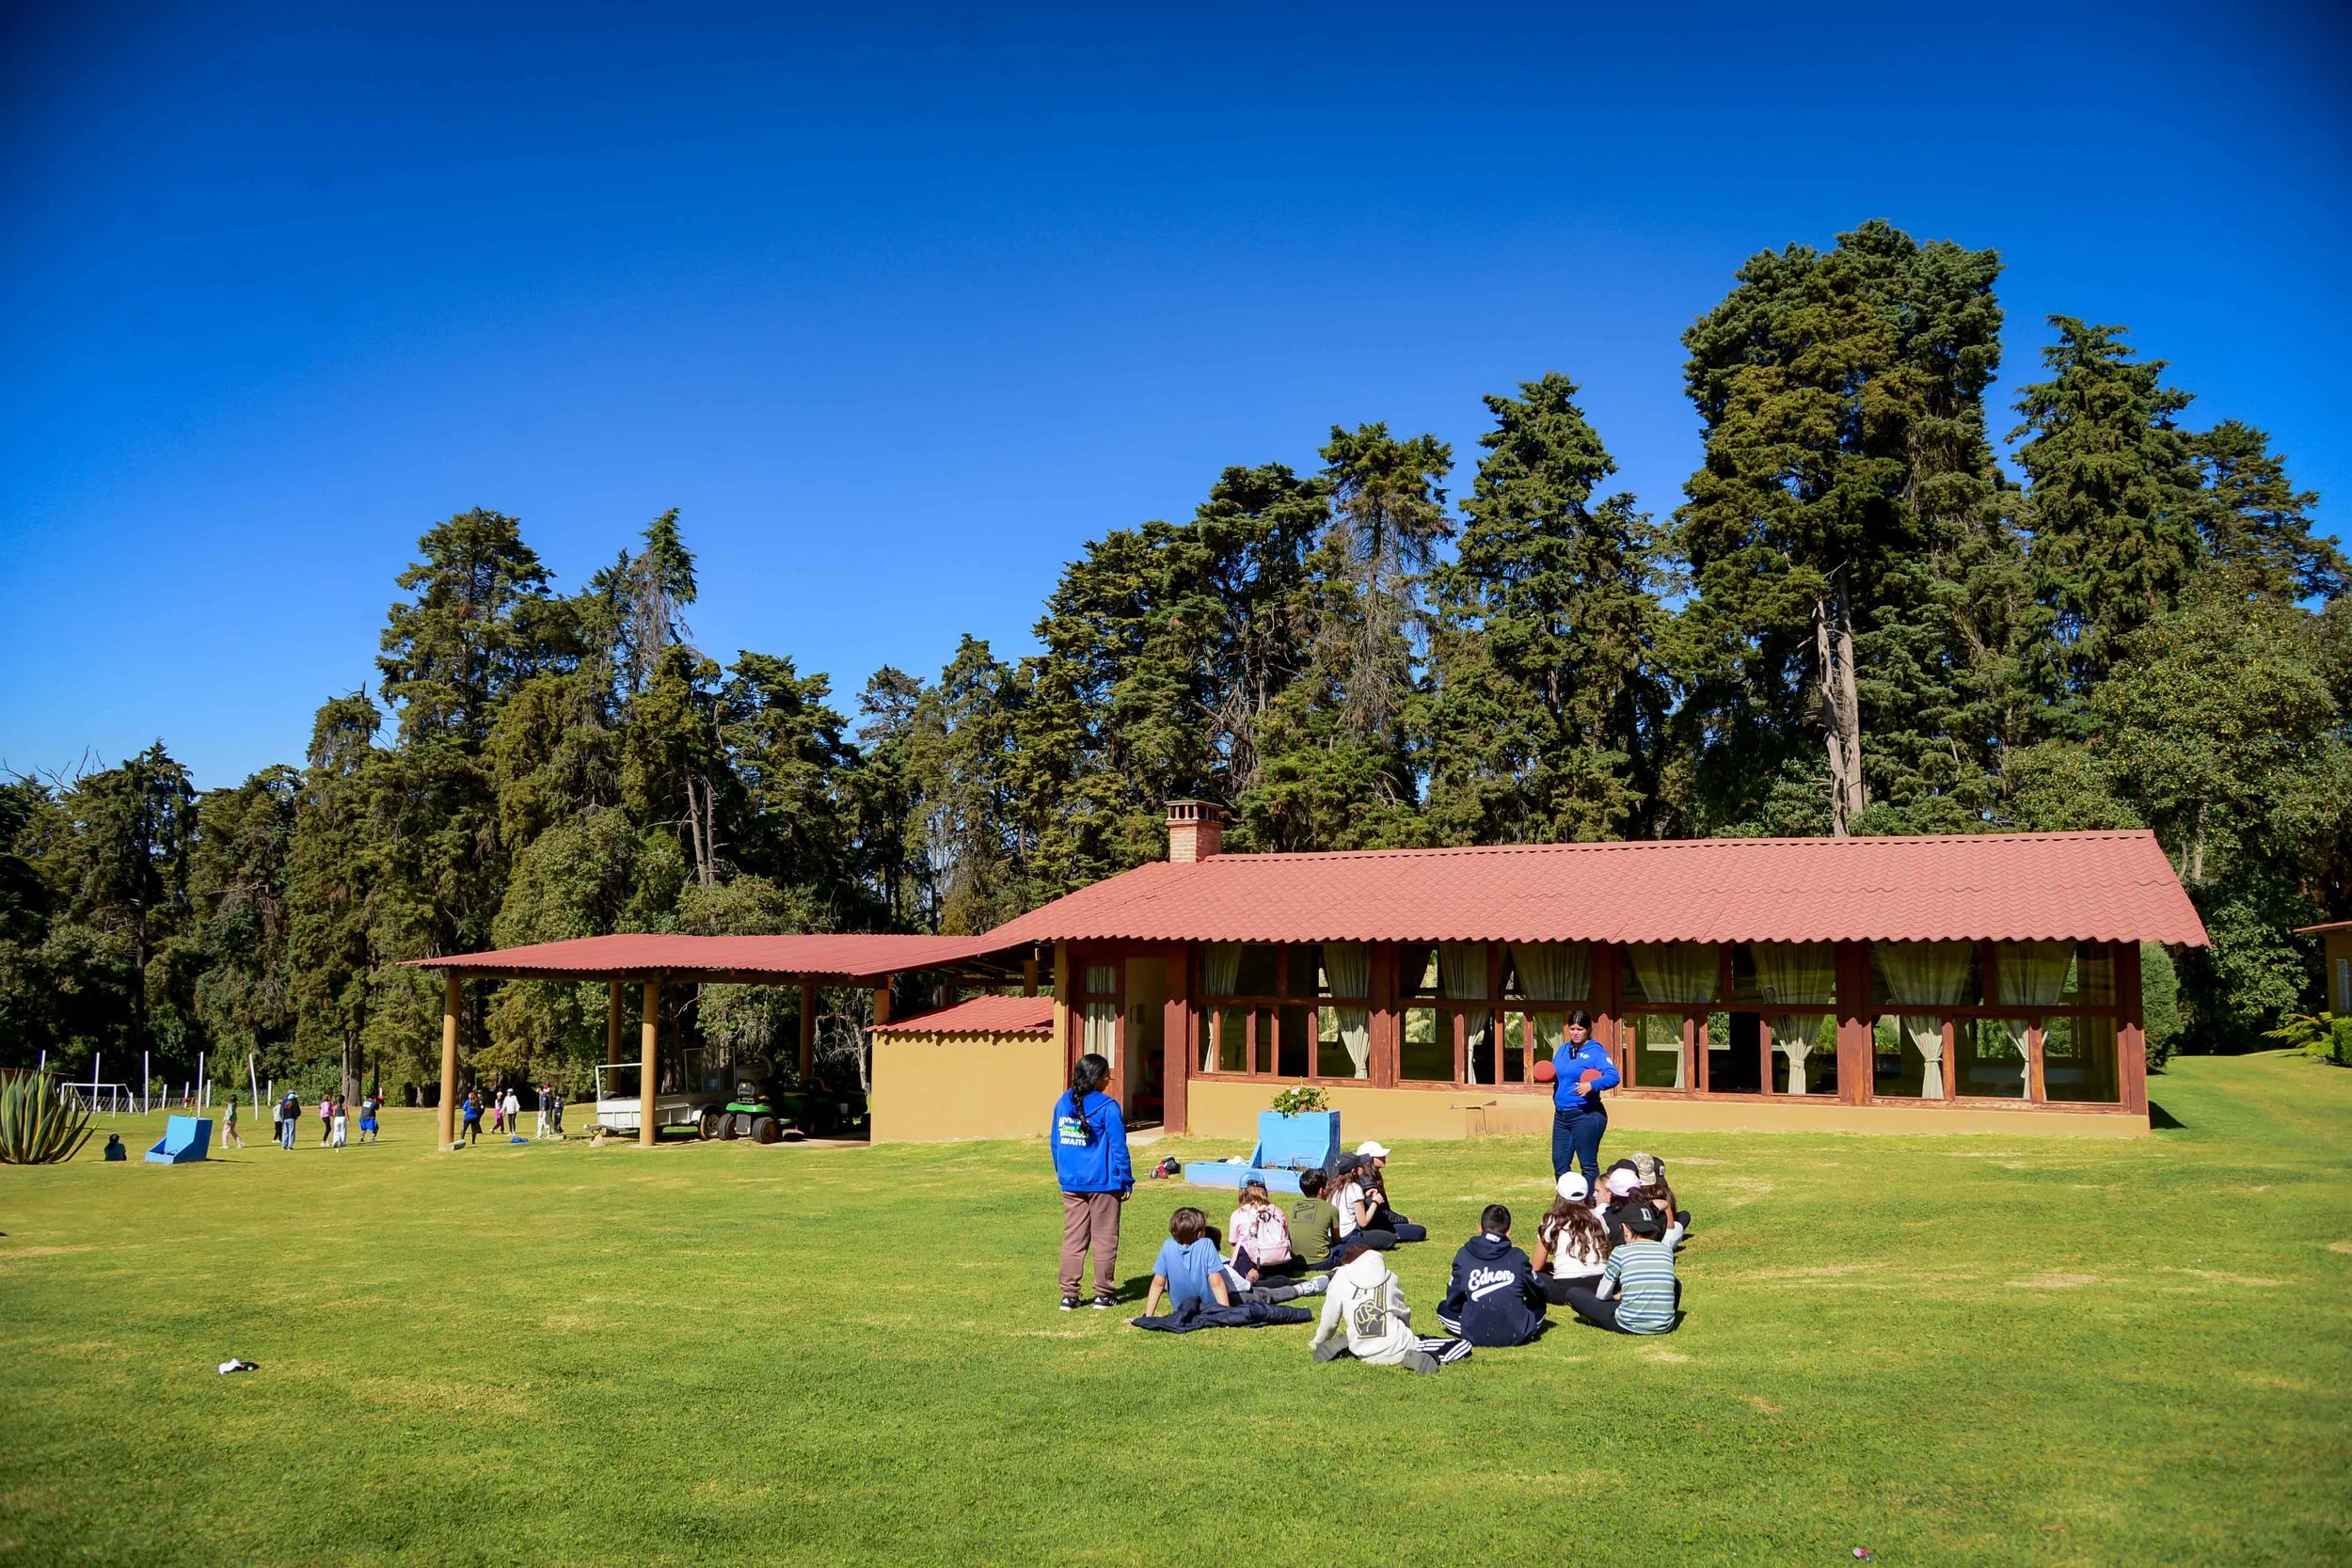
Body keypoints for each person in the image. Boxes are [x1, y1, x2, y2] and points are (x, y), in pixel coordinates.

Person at [1310, 1242, 1472, 1373]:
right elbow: (1403, 1313)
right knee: (1463, 1345)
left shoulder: (1340, 1278)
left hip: (1363, 1351)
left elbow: (1329, 1321)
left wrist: (1318, 1342)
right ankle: (1429, 1357)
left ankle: (1350, 1337)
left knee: (1364, 1330)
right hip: (1399, 1347)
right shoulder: (1390, 1277)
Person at [1051, 1052, 1132, 1311]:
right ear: (1098, 1078)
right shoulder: (1109, 1107)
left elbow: (1055, 1143)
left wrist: (1064, 1173)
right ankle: (1104, 1295)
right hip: (1104, 1183)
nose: (1109, 1080)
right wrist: (1126, 1179)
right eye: (1107, 1075)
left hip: (1072, 1182)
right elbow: (1119, 1147)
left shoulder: (1062, 1103)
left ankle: (1069, 1295)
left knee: (1073, 1238)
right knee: (1105, 1238)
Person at [1144, 1209, 1320, 1316]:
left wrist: (1148, 1315)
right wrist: (1226, 1313)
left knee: (1262, 1289)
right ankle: (1300, 1289)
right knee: (1263, 1295)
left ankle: (1299, 1286)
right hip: (1214, 1303)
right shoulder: (1206, 1245)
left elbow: (1158, 1284)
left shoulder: (1167, 1246)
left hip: (1182, 1306)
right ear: (1199, 1234)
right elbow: (1216, 1282)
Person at [1564, 1198, 1681, 1335]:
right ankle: (1661, 1316)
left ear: (1625, 1229)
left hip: (1627, 1323)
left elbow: (1602, 1295)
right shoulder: (1666, 1251)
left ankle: (1597, 1318)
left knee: (1575, 1294)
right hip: (1664, 1325)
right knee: (1675, 1283)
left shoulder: (1620, 1252)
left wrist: (1615, 1297)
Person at [1438, 1204, 1549, 1347]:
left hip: (1474, 1332)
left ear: (1480, 1228)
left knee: (1443, 1308)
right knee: (1539, 1306)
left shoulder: (1464, 1254)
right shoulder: (1518, 1257)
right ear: (1509, 1232)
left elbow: (1453, 1300)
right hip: (1517, 1332)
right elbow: (1539, 1293)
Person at [1549, 1010, 1620, 1185]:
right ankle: (1566, 1200)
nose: (1575, 1033)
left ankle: (1592, 1200)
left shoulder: (1596, 1052)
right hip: (1561, 1115)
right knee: (1560, 1163)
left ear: (1588, 1029)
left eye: (1580, 1029)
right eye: (1572, 1028)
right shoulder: (1563, 1050)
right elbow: (1557, 1072)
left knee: (1587, 1165)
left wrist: (1592, 1085)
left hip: (1586, 1114)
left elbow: (1613, 1076)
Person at [1530, 1172, 1613, 1304]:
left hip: (1567, 1286)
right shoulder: (1597, 1217)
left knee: (1528, 1275)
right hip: (1599, 1282)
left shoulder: (1551, 1220)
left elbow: (1536, 1266)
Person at [1345, 1143, 1427, 1243]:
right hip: (1372, 1225)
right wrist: (1403, 1219)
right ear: (1369, 1160)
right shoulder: (1367, 1182)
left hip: (1375, 1222)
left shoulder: (1371, 1176)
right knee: (1419, 1232)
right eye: (1380, 1156)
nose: (1384, 1157)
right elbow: (1380, 1213)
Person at [1227, 1178, 1294, 1282]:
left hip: (1256, 1263)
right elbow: (1286, 1235)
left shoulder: (1238, 1214)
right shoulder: (1277, 1211)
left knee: (1240, 1247)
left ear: (1242, 1192)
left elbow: (1233, 1244)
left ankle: (1251, 1274)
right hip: (1280, 1263)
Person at [1283, 1168, 1344, 1267]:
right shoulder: (1331, 1209)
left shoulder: (1292, 1206)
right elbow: (1336, 1240)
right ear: (1321, 1191)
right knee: (1354, 1240)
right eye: (1327, 1186)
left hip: (1294, 1261)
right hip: (1321, 1262)